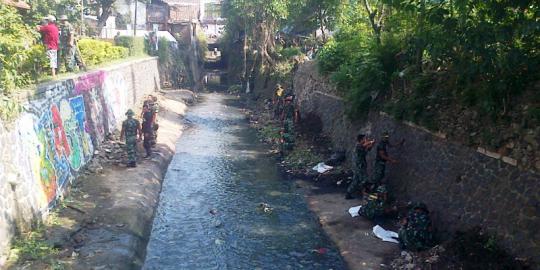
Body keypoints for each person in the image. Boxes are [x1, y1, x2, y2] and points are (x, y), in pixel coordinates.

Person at [346, 134, 375, 200]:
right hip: (359, 167)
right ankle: (366, 197)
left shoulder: (361, 147)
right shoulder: (358, 146)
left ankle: (348, 193)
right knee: (365, 181)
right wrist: (370, 142)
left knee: (356, 181)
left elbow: (367, 149)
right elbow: (364, 146)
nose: (365, 140)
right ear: (361, 140)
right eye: (364, 139)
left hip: (360, 166)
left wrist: (372, 145)